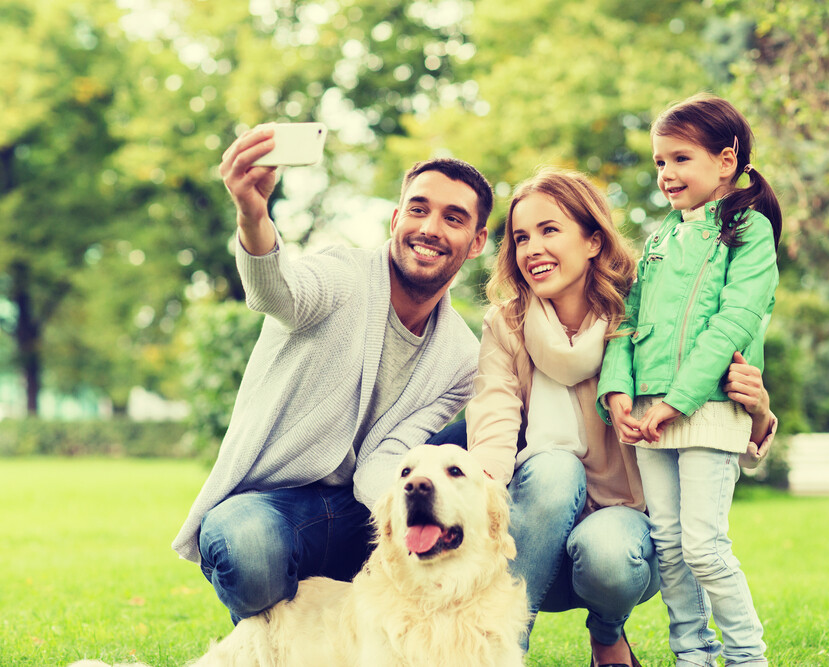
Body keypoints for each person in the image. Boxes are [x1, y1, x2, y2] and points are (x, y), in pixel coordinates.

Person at [437, 168, 776, 667]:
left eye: (550, 230)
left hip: (625, 535)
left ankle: (608, 633)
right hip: (533, 535)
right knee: (554, 467)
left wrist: (760, 413)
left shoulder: (640, 312)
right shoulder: (506, 323)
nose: (532, 249)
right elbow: (493, 418)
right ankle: (501, 647)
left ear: (593, 240)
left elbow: (705, 414)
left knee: (608, 554)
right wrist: (481, 498)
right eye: (521, 237)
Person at [171, 123, 492, 623]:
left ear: (476, 242)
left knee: (485, 427)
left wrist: (418, 505)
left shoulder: (459, 359)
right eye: (418, 209)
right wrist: (253, 215)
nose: (430, 228)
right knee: (248, 549)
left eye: (453, 218)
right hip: (269, 506)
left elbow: (389, 455)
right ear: (395, 218)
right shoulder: (341, 275)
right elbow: (277, 290)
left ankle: (427, 612)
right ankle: (280, 629)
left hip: (360, 515)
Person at [598, 93, 782, 666]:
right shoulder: (660, 240)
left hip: (708, 409)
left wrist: (678, 401)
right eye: (659, 162)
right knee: (671, 549)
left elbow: (734, 321)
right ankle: (692, 655)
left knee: (704, 545)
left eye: (680, 159)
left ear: (725, 161)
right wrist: (618, 393)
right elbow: (625, 324)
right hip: (651, 414)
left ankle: (747, 656)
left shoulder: (749, 232)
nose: (666, 174)